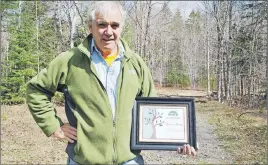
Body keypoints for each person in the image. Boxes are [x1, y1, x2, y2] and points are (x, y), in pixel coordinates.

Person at [26, 1, 197, 164]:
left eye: (114, 25)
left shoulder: (135, 63)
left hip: (129, 160)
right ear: (90, 27)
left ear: (121, 28)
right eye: (102, 25)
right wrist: (53, 125)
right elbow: (36, 89)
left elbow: (153, 111)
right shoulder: (70, 60)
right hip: (84, 161)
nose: (108, 31)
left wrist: (177, 141)